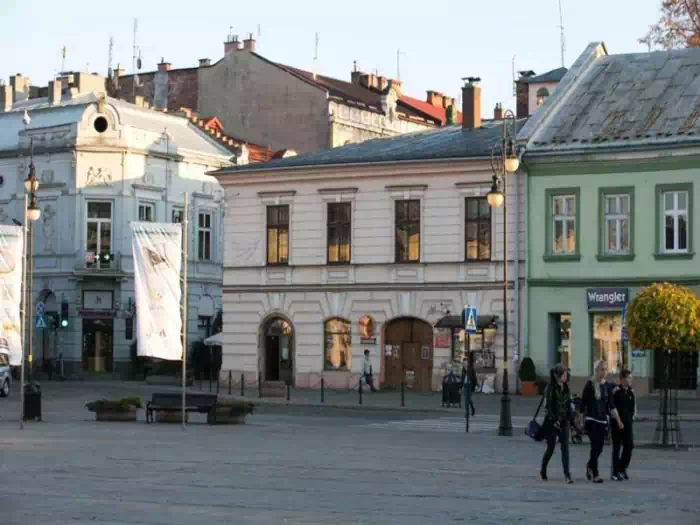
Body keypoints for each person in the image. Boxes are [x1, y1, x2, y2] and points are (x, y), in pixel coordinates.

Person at [540, 363, 574, 484]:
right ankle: (543, 469)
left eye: (567, 374)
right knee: (551, 448)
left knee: (565, 448)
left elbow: (568, 403)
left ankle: (567, 474)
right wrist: (554, 421)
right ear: (558, 376)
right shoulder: (550, 388)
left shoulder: (566, 387)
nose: (567, 376)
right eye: (565, 374)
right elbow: (548, 406)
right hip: (552, 422)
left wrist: (571, 416)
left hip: (564, 420)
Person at [581, 360, 612, 483]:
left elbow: (610, 404)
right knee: (594, 446)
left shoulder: (606, 385)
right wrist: (580, 418)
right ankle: (596, 474)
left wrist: (618, 420)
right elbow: (583, 402)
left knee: (600, 447)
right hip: (591, 419)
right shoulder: (590, 384)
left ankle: (589, 465)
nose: (604, 372)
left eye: (605, 369)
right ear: (596, 370)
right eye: (601, 369)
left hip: (602, 420)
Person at [611, 368, 636, 481]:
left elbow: (634, 406)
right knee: (616, 448)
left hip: (628, 423)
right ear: (622, 379)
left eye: (631, 378)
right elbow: (612, 406)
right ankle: (615, 472)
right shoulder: (616, 391)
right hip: (617, 423)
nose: (631, 380)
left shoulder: (631, 392)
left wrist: (633, 416)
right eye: (629, 378)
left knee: (629, 446)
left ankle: (622, 468)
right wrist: (618, 421)